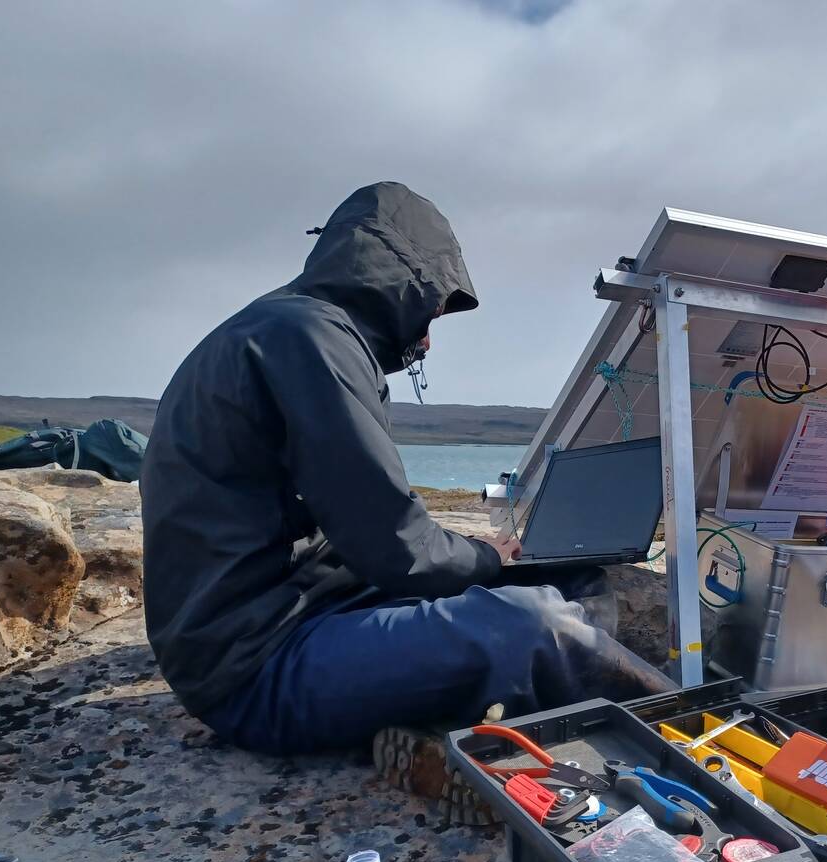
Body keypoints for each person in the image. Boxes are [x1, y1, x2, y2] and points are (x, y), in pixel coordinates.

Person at [141, 182, 672, 755]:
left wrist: (481, 561)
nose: (426, 338)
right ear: (396, 282)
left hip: (309, 609)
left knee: (572, 582)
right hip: (256, 667)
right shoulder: (308, 341)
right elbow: (397, 546)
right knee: (534, 622)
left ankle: (455, 726)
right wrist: (488, 557)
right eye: (430, 310)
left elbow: (369, 522)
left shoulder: (296, 328)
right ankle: (687, 738)